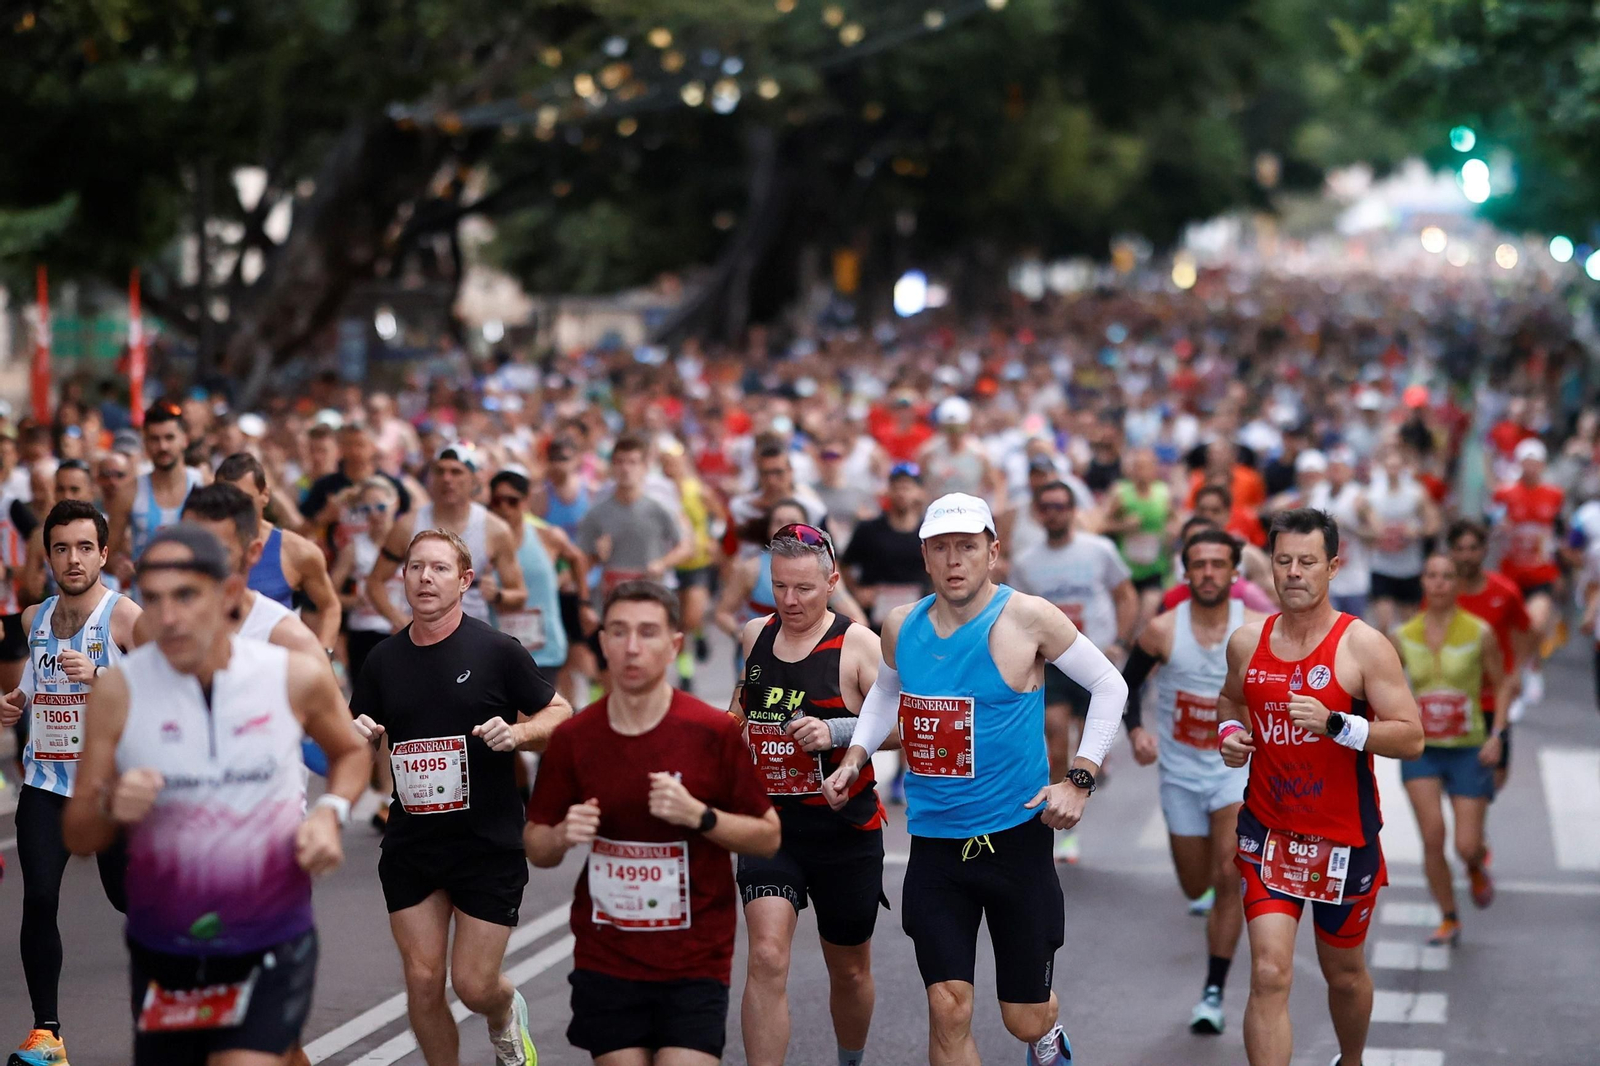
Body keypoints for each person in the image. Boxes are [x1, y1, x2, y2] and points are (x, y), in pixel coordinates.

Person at [823, 492, 1128, 1066]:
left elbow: (1111, 685)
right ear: (926, 557)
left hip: (1016, 840)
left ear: (992, 553)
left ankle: (1046, 1036)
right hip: (936, 844)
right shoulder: (900, 625)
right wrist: (856, 755)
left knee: (1023, 1015)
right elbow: (888, 691)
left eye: (967, 547)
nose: (954, 560)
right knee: (948, 1006)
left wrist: (1078, 781)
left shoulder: (1028, 617)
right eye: (942, 548)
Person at [61, 524, 371, 1066]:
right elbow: (79, 832)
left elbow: (351, 751)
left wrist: (330, 811)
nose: (168, 616)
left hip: (270, 937)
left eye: (186, 595)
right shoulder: (119, 690)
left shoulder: (291, 674)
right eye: (152, 599)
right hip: (166, 948)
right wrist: (111, 805)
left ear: (228, 594)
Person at [525, 581, 781, 1065]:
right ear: (602, 643)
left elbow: (767, 836)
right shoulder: (575, 738)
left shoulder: (711, 733)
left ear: (674, 645)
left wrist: (699, 816)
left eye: (648, 632)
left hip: (694, 960)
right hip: (607, 957)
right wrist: (562, 835)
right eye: (618, 632)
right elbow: (536, 845)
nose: (632, 647)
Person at [351, 528, 573, 1066]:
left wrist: (518, 734)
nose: (426, 578)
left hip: (486, 841)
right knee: (424, 981)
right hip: (413, 840)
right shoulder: (383, 660)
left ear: (465, 580)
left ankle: (503, 1012)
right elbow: (358, 733)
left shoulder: (496, 650)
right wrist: (353, 733)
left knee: (473, 984)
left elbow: (561, 712)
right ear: (402, 577)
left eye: (440, 568)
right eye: (415, 567)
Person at [1216, 508, 1424, 1066]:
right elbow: (1231, 698)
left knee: (1346, 975)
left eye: (1307, 562)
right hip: (1270, 831)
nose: (1293, 573)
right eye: (1283, 561)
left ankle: (1350, 1059)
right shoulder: (1247, 640)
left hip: (1343, 837)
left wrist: (1340, 725)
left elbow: (1410, 737)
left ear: (1333, 567)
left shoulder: (1363, 646)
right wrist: (1232, 733)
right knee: (1268, 971)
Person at [730, 524, 887, 1066]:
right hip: (771, 826)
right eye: (779, 587)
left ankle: (850, 1058)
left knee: (848, 969)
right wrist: (737, 730)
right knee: (768, 956)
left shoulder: (859, 644)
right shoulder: (755, 635)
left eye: (803, 588)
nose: (790, 601)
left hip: (844, 831)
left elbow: (908, 728)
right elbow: (742, 709)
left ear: (832, 581)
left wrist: (837, 734)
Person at [0, 500, 140, 1066]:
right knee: (37, 899)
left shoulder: (123, 615)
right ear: (48, 556)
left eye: (85, 547)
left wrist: (104, 672)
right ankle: (47, 1035)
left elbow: (167, 685)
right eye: (61, 548)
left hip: (107, 788)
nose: (73, 559)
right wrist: (16, 702)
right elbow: (37, 677)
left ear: (104, 554)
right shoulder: (34, 617)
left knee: (127, 897)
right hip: (45, 781)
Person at [1120, 528, 1262, 1035]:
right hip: (1179, 775)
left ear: (1233, 572)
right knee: (1196, 882)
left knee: (1230, 877)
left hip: (1234, 774)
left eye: (1217, 564)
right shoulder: (1162, 630)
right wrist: (1136, 731)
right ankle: (1212, 950)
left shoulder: (1257, 630)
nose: (1207, 573)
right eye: (1198, 564)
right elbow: (1124, 686)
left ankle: (1213, 991)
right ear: (1186, 572)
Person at [1010, 480, 1137, 862]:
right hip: (1053, 663)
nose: (1054, 512)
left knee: (1089, 737)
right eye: (1046, 506)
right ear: (1038, 513)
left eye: (1061, 505)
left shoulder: (1100, 549)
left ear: (1073, 510)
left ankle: (1094, 763)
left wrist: (1122, 641)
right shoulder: (1025, 562)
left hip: (1095, 656)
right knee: (1055, 737)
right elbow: (1017, 617)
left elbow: (1125, 595)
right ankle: (1065, 828)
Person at [1392, 553, 1510, 948]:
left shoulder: (1480, 632)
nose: (1439, 583)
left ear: (1458, 584)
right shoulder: (1404, 634)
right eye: (1432, 576)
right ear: (1422, 582)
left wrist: (1497, 735)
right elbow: (1387, 687)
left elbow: (1504, 683)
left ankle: (1476, 864)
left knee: (1465, 844)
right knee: (1432, 836)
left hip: (1468, 747)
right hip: (1422, 748)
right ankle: (1448, 916)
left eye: (1447, 576)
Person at [369, 444, 528, 628]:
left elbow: (519, 594)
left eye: (456, 472)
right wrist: (398, 620)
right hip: (421, 637)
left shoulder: (495, 529)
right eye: (440, 471)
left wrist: (498, 595)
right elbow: (375, 582)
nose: (447, 479)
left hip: (472, 637)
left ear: (474, 480)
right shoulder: (407, 525)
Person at [217, 452, 342, 650]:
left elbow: (330, 606)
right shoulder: (201, 548)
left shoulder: (296, 551)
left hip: (275, 673)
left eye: (245, 499)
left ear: (265, 495)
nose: (235, 507)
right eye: (226, 498)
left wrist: (322, 656)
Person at [1449, 519, 1530, 792]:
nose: (1466, 556)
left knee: (1496, 777)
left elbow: (1524, 631)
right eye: (1459, 549)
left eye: (1472, 548)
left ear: (1484, 551)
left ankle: (1476, 826)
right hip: (1454, 700)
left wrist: (1517, 670)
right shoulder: (1441, 594)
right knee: (1461, 784)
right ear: (1451, 552)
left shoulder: (1505, 592)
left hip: (1494, 698)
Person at [1491, 437, 1564, 703]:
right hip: (1511, 574)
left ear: (1542, 465)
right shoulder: (1505, 494)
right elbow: (1491, 526)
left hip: (1541, 573)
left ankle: (1529, 667)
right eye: (1526, 462)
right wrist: (1500, 526)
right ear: (1519, 464)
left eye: (1536, 463)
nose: (1531, 468)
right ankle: (1516, 674)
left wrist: (1561, 572)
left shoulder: (1554, 495)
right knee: (1512, 631)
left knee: (1536, 623)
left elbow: (1561, 533)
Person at [487, 468, 581, 675]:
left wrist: (583, 601)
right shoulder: (483, 543)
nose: (504, 508)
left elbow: (578, 559)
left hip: (545, 649)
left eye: (512, 501)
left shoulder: (547, 537)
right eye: (497, 501)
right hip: (499, 650)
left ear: (526, 501)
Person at [106, 400, 205, 580]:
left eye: (169, 437)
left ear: (185, 439)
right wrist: (120, 567)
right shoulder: (129, 492)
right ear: (145, 443)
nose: (162, 447)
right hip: (145, 602)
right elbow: (107, 555)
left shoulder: (203, 483)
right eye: (154, 439)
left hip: (194, 601)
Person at [840, 462, 930, 631]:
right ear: (888, 490)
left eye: (907, 488)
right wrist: (856, 591)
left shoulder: (930, 532)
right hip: (875, 619)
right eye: (897, 487)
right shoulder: (868, 529)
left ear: (919, 493)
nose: (902, 493)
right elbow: (844, 563)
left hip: (920, 617)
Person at [1366, 446, 1439, 635]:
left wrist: (1418, 531)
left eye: (1396, 466)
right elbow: (1364, 527)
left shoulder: (1416, 493)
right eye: (1389, 466)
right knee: (1384, 623)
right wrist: (1373, 533)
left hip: (1409, 567)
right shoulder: (1372, 494)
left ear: (1404, 467)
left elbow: (1433, 524)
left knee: (1410, 627)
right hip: (1382, 565)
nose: (1393, 471)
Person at [1103, 447, 1173, 623]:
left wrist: (1172, 530)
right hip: (1126, 570)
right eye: (1138, 466)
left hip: (1154, 568)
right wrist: (1123, 525)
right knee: (1127, 620)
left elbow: (1175, 520)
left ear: (1155, 468)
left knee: (1147, 617)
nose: (1142, 471)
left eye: (1146, 466)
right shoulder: (1121, 492)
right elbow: (1101, 525)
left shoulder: (1163, 493)